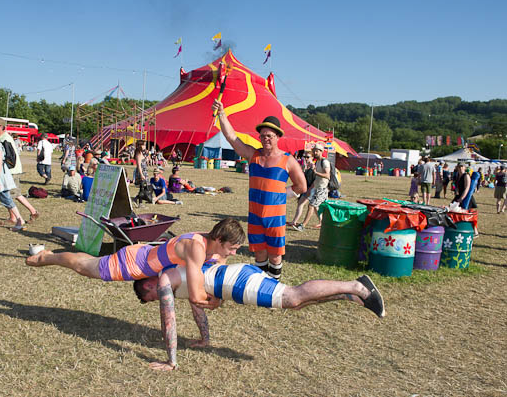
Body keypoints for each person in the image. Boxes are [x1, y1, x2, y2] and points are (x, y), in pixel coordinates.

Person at [134, 263, 385, 371]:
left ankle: (356, 286)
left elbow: (169, 321)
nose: (157, 301)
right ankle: (351, 297)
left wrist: (171, 361)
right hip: (232, 280)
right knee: (295, 305)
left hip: (233, 282)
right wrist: (204, 339)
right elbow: (197, 307)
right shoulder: (178, 280)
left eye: (151, 299)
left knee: (292, 296)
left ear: (148, 286)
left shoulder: (167, 280)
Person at [26, 218, 246, 314]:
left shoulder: (216, 249)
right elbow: (197, 295)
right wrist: (215, 301)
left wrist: (218, 295)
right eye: (232, 248)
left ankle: (48, 256)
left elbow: (216, 278)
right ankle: (47, 257)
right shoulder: (196, 248)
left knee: (90, 264)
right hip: (134, 264)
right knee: (86, 267)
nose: (234, 253)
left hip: (144, 255)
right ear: (218, 239)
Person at [213, 99, 306, 280]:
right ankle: (260, 285)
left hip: (276, 217)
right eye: (262, 135)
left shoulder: (288, 160)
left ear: (278, 136)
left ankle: (274, 285)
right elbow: (232, 138)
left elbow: (301, 186)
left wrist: (281, 194)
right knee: (259, 253)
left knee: (275, 254)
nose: (265, 139)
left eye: (269, 135)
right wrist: (222, 114)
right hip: (255, 215)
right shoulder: (253, 155)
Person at [0, 118, 41, 224]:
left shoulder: (4, 139)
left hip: (11, 171)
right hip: (11, 170)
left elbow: (9, 157)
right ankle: (31, 211)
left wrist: (6, 169)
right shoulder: (2, 138)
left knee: (11, 194)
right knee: (14, 194)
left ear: (1, 127)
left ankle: (20, 216)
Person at [297, 143, 330, 231]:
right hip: (317, 188)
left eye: (317, 151)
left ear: (321, 152)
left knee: (311, 206)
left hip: (322, 189)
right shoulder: (318, 162)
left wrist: (316, 173)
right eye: (314, 150)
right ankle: (323, 223)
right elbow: (317, 179)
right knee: (316, 207)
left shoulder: (325, 162)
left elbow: (327, 175)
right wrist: (311, 189)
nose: (315, 152)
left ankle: (302, 225)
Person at [290, 152, 316, 230]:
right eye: (304, 157)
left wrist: (310, 190)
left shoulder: (314, 167)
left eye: (307, 157)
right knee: (316, 207)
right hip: (306, 188)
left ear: (312, 158)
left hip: (312, 189)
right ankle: (321, 221)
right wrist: (303, 168)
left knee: (301, 203)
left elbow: (315, 181)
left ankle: (294, 221)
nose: (305, 158)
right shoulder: (305, 166)